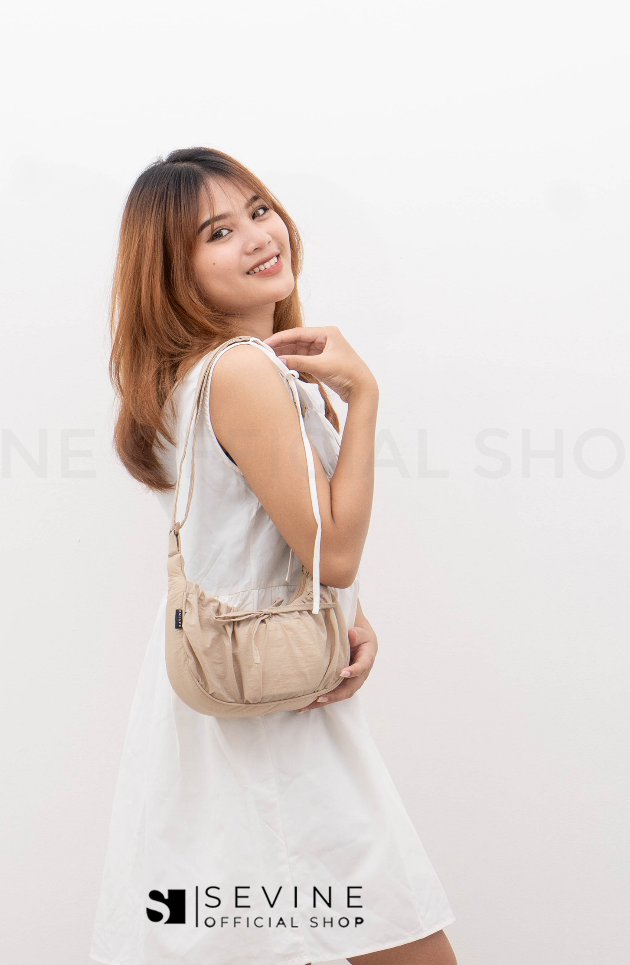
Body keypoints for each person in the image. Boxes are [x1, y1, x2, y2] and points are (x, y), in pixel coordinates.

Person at [91, 147, 457, 965]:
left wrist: (351, 618)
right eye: (218, 232)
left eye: (258, 210)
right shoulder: (243, 372)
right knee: (392, 937)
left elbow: (258, 538)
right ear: (174, 272)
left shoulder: (195, 375)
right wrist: (364, 396)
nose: (259, 235)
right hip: (273, 727)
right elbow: (333, 550)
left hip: (231, 697)